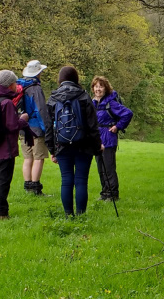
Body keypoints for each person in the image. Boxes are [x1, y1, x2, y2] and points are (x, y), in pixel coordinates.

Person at [45, 66, 101, 216]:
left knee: (66, 180)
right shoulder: (84, 96)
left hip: (62, 145)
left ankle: (68, 215)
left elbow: (49, 127)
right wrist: (97, 147)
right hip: (85, 145)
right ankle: (81, 215)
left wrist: (52, 149)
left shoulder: (53, 98)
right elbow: (92, 125)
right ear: (76, 78)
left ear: (60, 79)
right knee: (81, 180)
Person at [0, 70, 32, 220]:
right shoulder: (6, 103)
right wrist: (23, 119)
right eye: (14, 83)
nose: (16, 85)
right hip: (7, 147)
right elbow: (12, 126)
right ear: (9, 85)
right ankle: (1, 212)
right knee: (4, 180)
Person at [91, 75, 133, 201]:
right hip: (97, 138)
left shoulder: (111, 103)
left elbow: (128, 113)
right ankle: (105, 193)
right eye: (96, 86)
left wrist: (117, 126)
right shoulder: (93, 103)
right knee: (100, 168)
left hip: (108, 138)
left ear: (106, 88)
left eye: (101, 86)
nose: (98, 89)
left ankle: (113, 194)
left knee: (109, 168)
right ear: (93, 88)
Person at [18, 60, 52, 195]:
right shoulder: (36, 88)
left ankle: (28, 186)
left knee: (28, 158)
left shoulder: (21, 86)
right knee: (39, 157)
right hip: (36, 128)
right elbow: (41, 110)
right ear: (38, 73)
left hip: (23, 127)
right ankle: (35, 187)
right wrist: (47, 129)